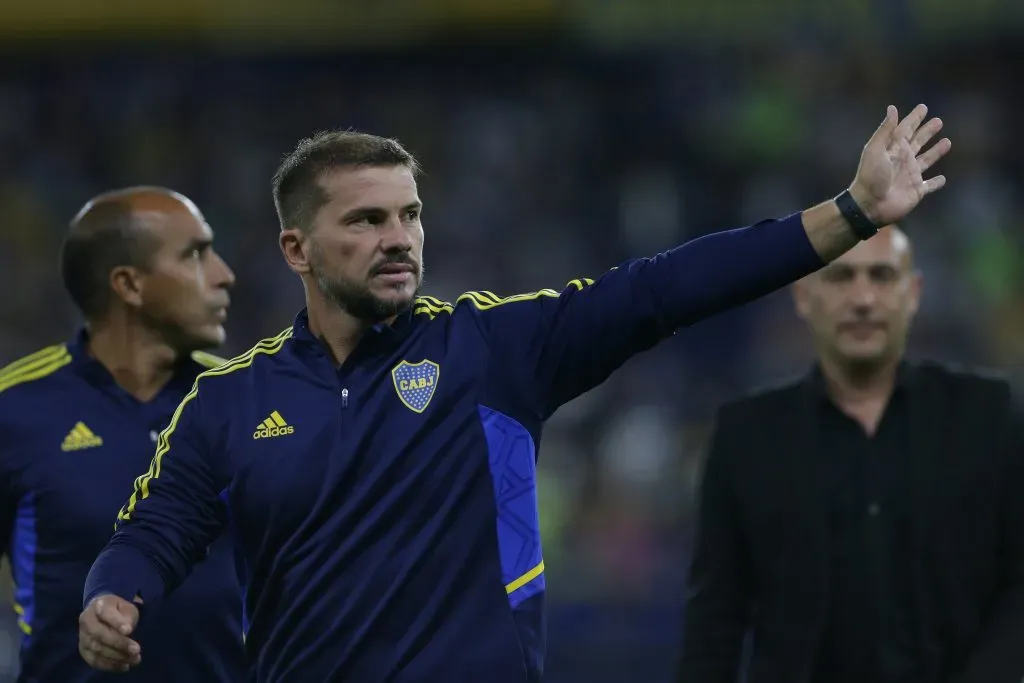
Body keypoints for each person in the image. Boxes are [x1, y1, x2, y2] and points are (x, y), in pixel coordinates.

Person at [79, 104, 949, 682]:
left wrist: (851, 212)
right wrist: (111, 595)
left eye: (410, 215)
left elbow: (661, 290)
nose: (399, 238)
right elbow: (154, 529)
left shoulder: (491, 349)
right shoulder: (230, 401)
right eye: (367, 220)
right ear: (297, 249)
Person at [676, 226, 1024, 683]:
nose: (862, 299)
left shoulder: (989, 415)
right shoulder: (745, 436)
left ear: (913, 293)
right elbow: (714, 619)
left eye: (882, 276)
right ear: (803, 296)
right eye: (841, 277)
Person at [0, 187, 245, 682]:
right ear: (129, 284)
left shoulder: (244, 402)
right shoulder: (14, 411)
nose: (224, 275)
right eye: (196, 255)